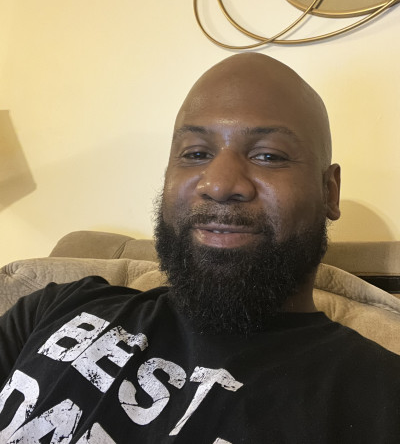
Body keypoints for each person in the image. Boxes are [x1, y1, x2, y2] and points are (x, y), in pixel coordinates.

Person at [0, 53, 399, 443]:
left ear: (329, 191)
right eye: (196, 154)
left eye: (268, 155)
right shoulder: (54, 307)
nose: (219, 184)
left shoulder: (380, 397)